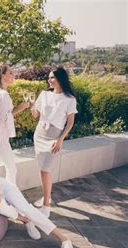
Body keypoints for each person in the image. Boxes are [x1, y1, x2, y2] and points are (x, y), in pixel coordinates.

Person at [31, 66, 77, 217]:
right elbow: (35, 115)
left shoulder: (69, 99)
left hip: (54, 137)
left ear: (60, 79)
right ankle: (46, 196)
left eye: (52, 77)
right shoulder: (44, 94)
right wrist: (32, 106)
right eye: (49, 77)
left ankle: (46, 205)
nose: (49, 80)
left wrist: (60, 139)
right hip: (39, 135)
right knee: (42, 169)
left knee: (45, 169)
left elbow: (69, 123)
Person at [0, 65, 30, 185]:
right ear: (3, 76)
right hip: (0, 137)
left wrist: (21, 107)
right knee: (11, 168)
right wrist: (21, 107)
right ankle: (12, 196)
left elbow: (2, 116)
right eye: (10, 73)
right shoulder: (2, 95)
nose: (13, 75)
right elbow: (1, 118)